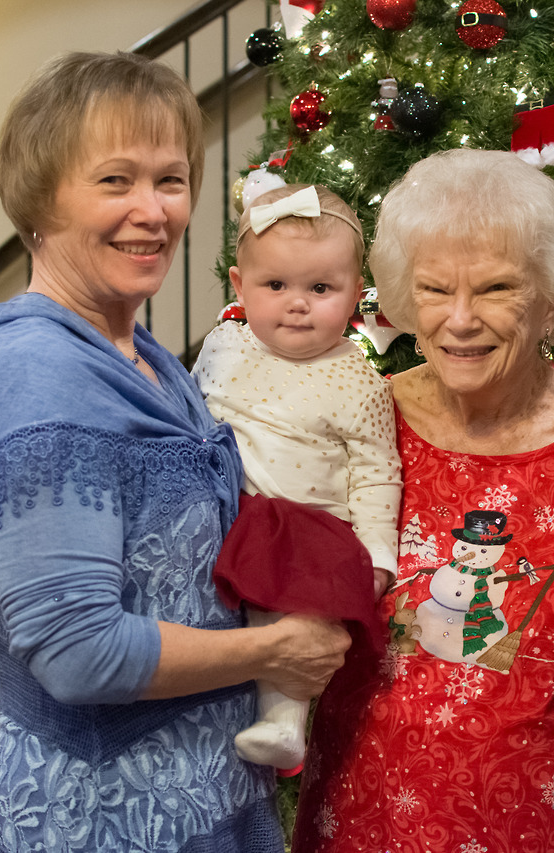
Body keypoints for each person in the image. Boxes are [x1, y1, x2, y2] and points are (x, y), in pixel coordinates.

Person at [0, 51, 350, 853]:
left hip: (209, 802)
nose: (153, 211)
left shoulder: (145, 356)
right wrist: (275, 650)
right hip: (98, 825)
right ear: (40, 197)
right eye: (115, 181)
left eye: (171, 180)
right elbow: (78, 652)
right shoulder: (35, 373)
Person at [290, 148, 554, 852]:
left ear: (550, 297)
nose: (459, 320)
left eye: (496, 288)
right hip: (364, 824)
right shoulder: (361, 421)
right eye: (434, 290)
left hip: (550, 830)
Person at [192, 183, 401, 773]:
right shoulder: (223, 345)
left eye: (321, 289)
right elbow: (189, 413)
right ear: (239, 287)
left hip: (309, 528)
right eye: (276, 285)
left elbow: (377, 472)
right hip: (223, 509)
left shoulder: (359, 381)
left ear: (356, 295)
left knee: (301, 614)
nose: (297, 304)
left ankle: (284, 721)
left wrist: (377, 555)